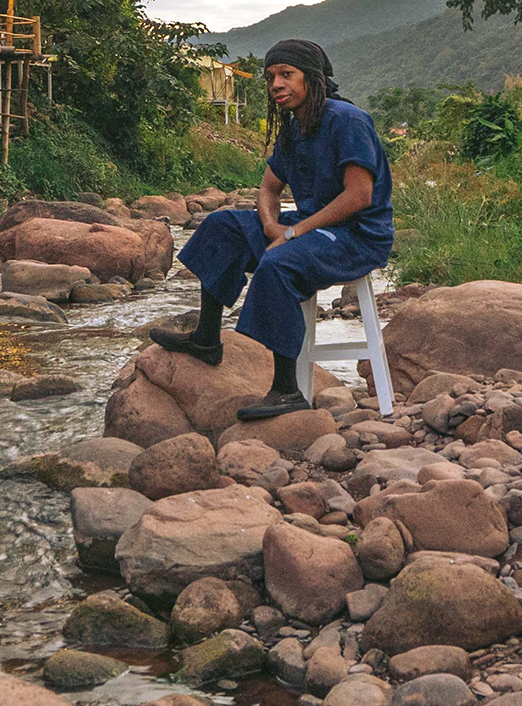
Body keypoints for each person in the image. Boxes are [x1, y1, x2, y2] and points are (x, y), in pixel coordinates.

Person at [149, 38, 392, 420]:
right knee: (221, 225)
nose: (276, 84)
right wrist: (270, 225)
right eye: (270, 77)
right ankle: (207, 338)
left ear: (312, 78)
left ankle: (286, 390)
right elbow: (268, 188)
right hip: (311, 228)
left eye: (286, 74)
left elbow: (359, 196)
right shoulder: (294, 128)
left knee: (278, 263)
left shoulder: (348, 121)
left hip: (357, 236)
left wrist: (293, 234)